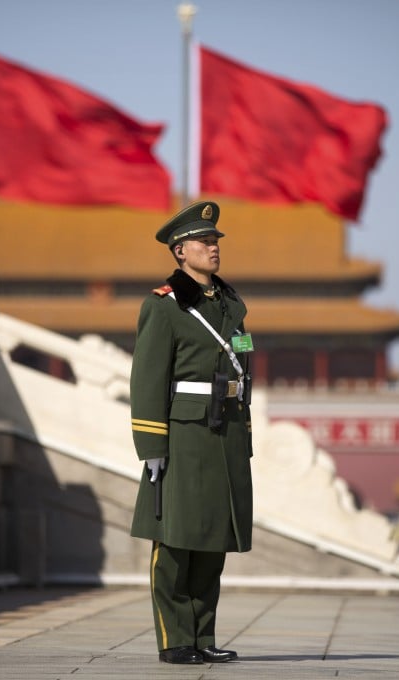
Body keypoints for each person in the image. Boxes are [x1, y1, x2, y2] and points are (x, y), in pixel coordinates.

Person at [129, 200, 254, 665]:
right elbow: (147, 381)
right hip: (182, 436)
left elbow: (243, 368)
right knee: (177, 542)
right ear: (180, 252)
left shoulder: (230, 305)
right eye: (204, 242)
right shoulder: (163, 307)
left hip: (224, 435)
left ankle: (203, 635)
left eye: (216, 241)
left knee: (211, 540)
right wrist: (151, 446)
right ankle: (175, 639)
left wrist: (245, 435)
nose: (213, 248)